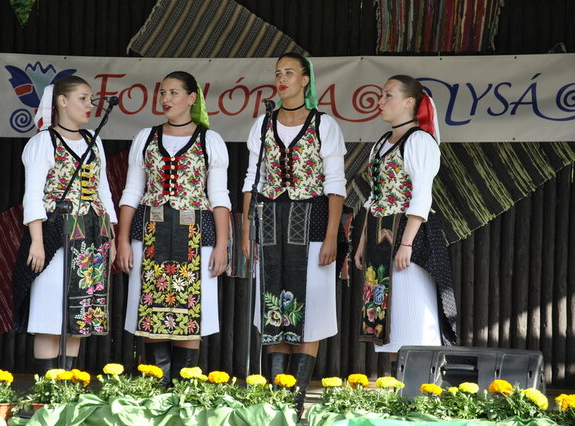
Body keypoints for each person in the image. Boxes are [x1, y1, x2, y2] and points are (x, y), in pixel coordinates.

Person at [241, 52, 347, 414]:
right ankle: (276, 402)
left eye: (290, 73)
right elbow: (250, 180)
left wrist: (332, 236)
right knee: (274, 308)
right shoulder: (263, 123)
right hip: (269, 224)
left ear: (305, 80)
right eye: (277, 73)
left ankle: (297, 400)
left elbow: (335, 185)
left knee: (310, 311)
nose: (282, 78)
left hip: (313, 223)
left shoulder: (324, 125)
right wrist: (246, 228)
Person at [116, 71, 230, 387]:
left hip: (196, 237)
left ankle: (181, 391)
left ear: (192, 98)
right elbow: (131, 192)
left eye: (174, 93)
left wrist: (222, 245)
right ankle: (158, 389)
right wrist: (122, 240)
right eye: (163, 92)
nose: (166, 99)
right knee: (150, 311)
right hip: (149, 233)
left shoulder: (210, 140)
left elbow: (219, 197)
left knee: (192, 313)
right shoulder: (146, 137)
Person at [12, 75, 118, 373]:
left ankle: (67, 388)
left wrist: (109, 237)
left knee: (79, 316)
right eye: (83, 98)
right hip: (56, 234)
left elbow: (104, 192)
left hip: (91, 236)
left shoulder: (93, 141)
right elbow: (32, 195)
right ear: (62, 101)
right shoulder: (43, 141)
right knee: (48, 314)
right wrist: (37, 241)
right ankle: (50, 387)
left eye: (90, 99)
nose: (89, 105)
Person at [353, 75, 457, 365]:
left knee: (414, 312)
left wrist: (407, 244)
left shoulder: (420, 141)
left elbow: (422, 196)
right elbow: (373, 197)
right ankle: (396, 390)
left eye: (388, 95)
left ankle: (421, 388)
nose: (381, 101)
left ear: (409, 102)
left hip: (411, 235)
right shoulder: (381, 144)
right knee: (388, 318)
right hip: (379, 235)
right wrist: (362, 241)